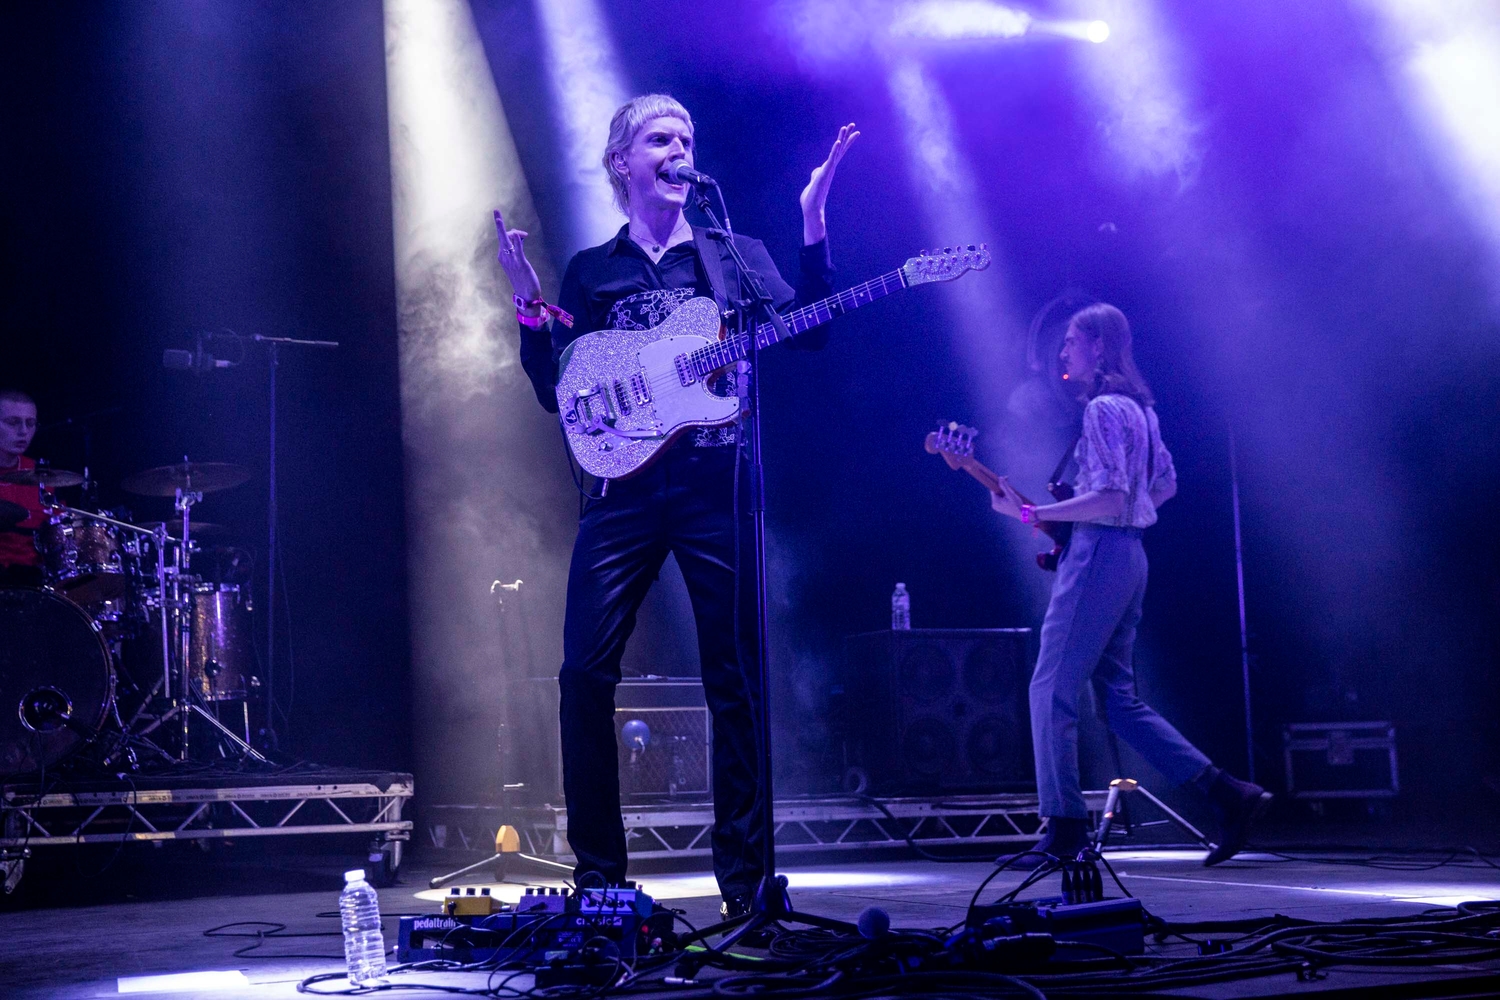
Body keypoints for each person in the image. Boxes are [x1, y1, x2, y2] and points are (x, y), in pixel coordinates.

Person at [493, 94, 858, 914]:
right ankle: (598, 880)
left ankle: (746, 885)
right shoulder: (593, 270)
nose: (678, 148)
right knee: (584, 673)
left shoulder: (728, 254)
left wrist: (812, 218)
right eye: (661, 138)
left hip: (714, 482)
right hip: (621, 493)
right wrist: (526, 302)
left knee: (736, 681)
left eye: (687, 137)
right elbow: (561, 392)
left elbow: (810, 331)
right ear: (623, 162)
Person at [990, 304, 1269, 867]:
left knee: (1051, 689)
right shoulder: (1142, 410)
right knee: (1116, 702)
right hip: (1128, 557)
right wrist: (1104, 528)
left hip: (1100, 553)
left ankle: (1064, 825)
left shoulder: (1100, 410)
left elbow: (1114, 497)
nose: (1063, 352)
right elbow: (1162, 487)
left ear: (1098, 347)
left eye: (1071, 341)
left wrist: (1036, 515)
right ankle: (1227, 793)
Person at [0, 388, 46, 587]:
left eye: (30, 423)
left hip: (32, 584)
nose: (23, 432)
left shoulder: (40, 475)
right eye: (13, 422)